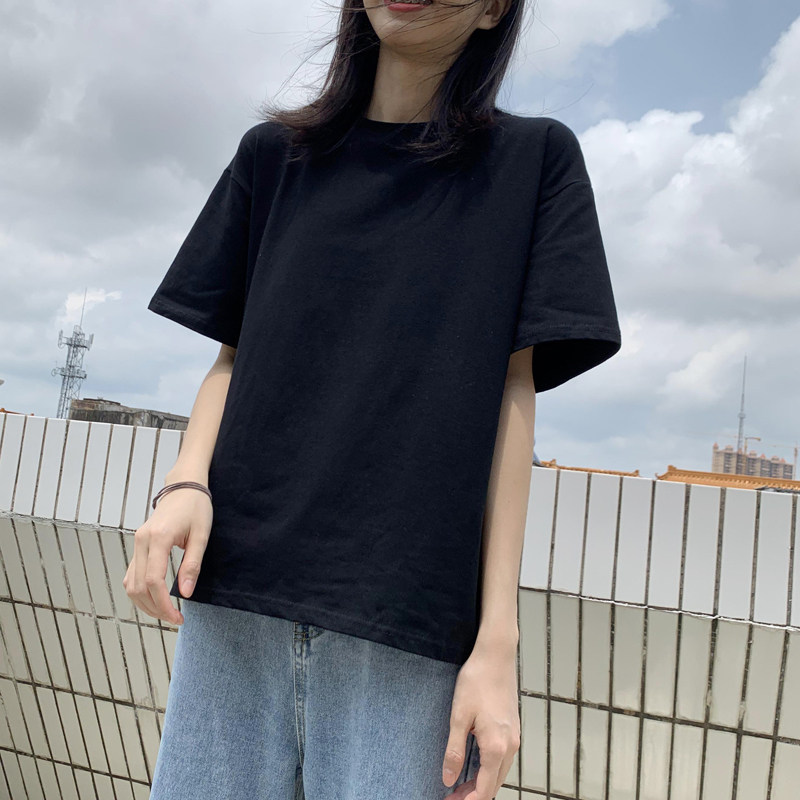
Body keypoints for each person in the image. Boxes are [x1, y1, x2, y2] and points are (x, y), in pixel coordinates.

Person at [126, 1, 622, 798]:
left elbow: (513, 394)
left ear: (495, 8)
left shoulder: (534, 162)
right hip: (234, 597)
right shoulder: (273, 156)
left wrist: (496, 643)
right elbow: (234, 357)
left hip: (406, 630)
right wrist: (186, 480)